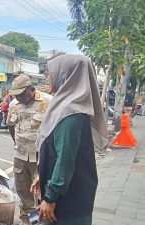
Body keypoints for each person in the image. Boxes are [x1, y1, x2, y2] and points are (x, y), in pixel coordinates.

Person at [31, 55, 108, 225]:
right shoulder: (66, 107)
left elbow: (65, 160)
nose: (47, 77)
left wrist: (50, 197)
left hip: (68, 204)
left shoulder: (70, 114)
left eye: (50, 73)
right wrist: (43, 176)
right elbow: (59, 152)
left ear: (66, 75)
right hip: (70, 197)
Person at [7, 74, 52, 225]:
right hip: (20, 156)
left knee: (41, 196)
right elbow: (11, 126)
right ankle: (27, 222)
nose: (18, 98)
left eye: (21, 94)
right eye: (16, 95)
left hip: (40, 158)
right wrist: (17, 144)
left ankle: (40, 222)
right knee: (24, 195)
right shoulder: (14, 104)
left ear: (31, 90)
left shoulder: (47, 101)